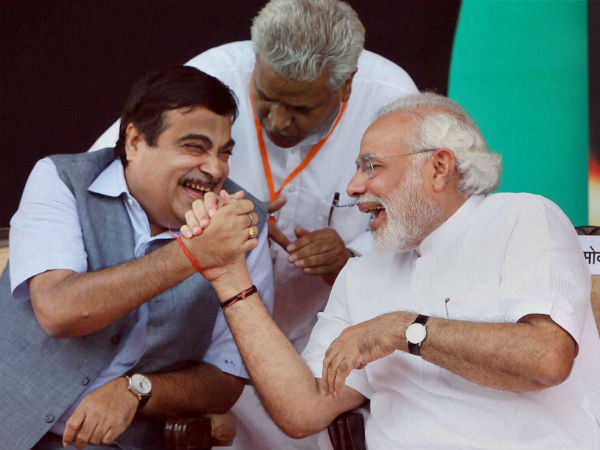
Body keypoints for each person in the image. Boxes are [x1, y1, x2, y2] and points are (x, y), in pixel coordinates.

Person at [185, 92, 600, 449]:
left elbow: (547, 357)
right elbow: (303, 410)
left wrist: (405, 329)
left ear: (438, 167)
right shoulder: (362, 273)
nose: (353, 187)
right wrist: (230, 276)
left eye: (371, 166)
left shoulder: (522, 217)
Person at [90, 1, 417, 447]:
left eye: (300, 107)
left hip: (328, 341)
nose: (277, 120)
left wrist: (351, 255)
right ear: (257, 59)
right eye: (265, 97)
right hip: (206, 342)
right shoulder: (212, 75)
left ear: (346, 87)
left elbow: (420, 228)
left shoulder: (392, 101)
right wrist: (197, 202)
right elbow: (110, 174)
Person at [0, 66, 273, 450]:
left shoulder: (244, 223)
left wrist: (138, 390)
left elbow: (226, 379)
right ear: (134, 142)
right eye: (195, 147)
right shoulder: (61, 179)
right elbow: (59, 311)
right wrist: (194, 254)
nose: (215, 169)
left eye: (224, 152)